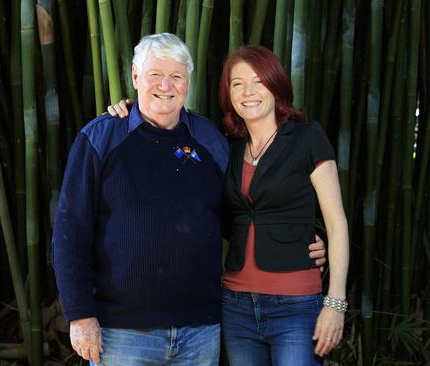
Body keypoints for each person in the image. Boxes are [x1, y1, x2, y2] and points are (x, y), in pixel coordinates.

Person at [53, 33, 326, 366]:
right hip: (121, 332)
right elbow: (70, 232)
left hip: (200, 332)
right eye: (155, 75)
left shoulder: (208, 137)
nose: (165, 85)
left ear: (188, 83)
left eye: (177, 76)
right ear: (136, 77)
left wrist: (297, 239)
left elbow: (240, 215)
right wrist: (80, 315)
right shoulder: (101, 137)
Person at [218, 45, 349, 365]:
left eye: (258, 81)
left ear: (276, 85)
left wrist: (335, 303)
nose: (247, 91)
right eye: (237, 83)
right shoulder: (229, 149)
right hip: (236, 306)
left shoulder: (307, 138)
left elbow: (336, 223)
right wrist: (127, 109)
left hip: (295, 305)